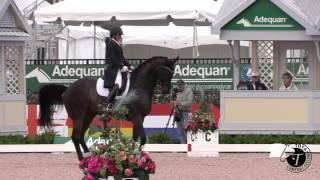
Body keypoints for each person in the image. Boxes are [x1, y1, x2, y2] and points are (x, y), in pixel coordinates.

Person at [103, 26, 130, 103]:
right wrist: (121, 66)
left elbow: (122, 57)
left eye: (120, 35)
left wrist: (128, 65)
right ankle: (108, 102)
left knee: (127, 77)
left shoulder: (117, 44)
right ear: (114, 35)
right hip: (113, 68)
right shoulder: (111, 43)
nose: (120, 37)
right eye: (119, 35)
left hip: (118, 67)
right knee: (118, 82)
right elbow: (113, 58)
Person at [172, 79, 194, 144]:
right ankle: (183, 143)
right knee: (179, 128)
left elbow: (189, 102)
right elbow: (173, 99)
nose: (179, 87)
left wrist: (180, 103)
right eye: (178, 86)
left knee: (187, 127)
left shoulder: (189, 90)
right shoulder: (176, 91)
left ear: (184, 85)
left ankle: (189, 142)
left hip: (187, 111)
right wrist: (173, 102)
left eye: (180, 85)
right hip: (178, 111)